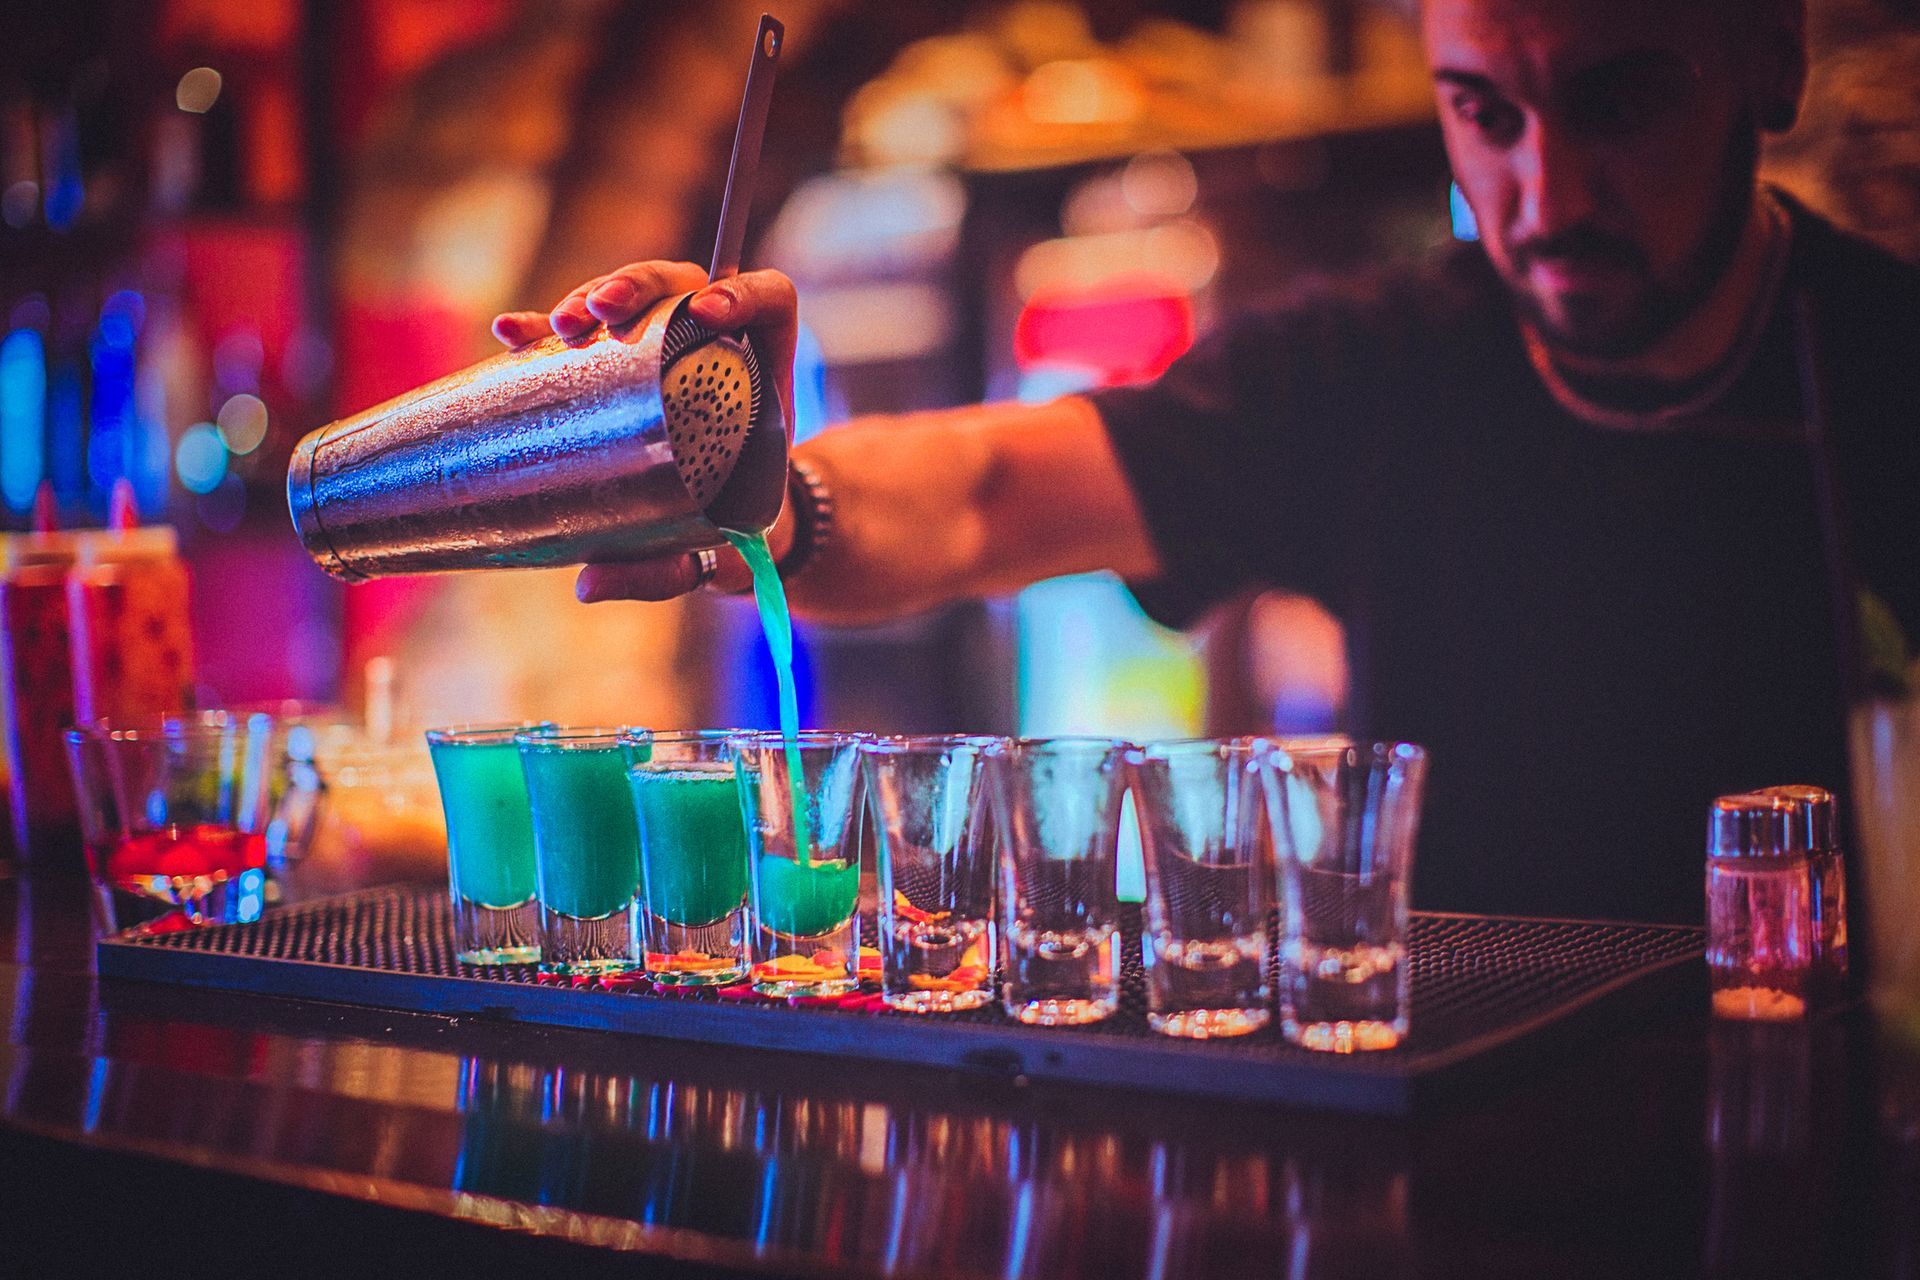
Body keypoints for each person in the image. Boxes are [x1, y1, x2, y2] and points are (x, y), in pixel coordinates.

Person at [492, 0, 1920, 924]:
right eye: (1485, 113)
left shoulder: (1887, 365)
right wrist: (760, 493)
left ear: (1771, 57)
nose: (1544, 195)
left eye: (1620, 102)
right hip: (1463, 1121)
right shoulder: (1376, 364)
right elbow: (987, 494)